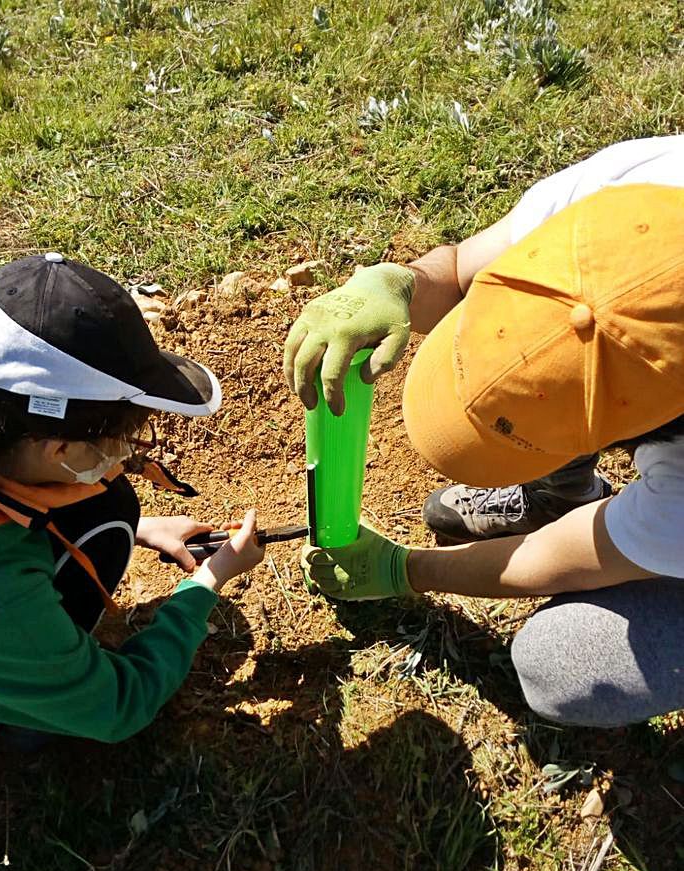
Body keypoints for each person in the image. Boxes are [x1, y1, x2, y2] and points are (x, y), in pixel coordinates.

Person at [285, 135, 684, 728]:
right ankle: (561, 493)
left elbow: (563, 557)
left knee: (563, 666)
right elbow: (455, 268)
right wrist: (398, 283)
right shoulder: (633, 188)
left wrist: (404, 570)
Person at [0, 253, 264, 781]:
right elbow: (120, 707)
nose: (130, 454)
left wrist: (143, 527)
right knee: (106, 512)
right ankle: (19, 717)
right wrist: (207, 581)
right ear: (58, 447)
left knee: (110, 507)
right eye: (125, 442)